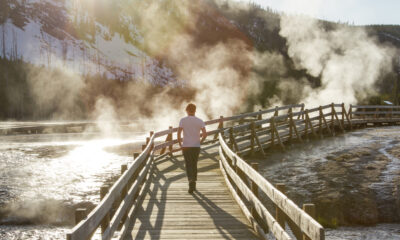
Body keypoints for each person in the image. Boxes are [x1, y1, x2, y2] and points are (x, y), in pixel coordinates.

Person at [178, 103, 207, 194]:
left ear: (187, 110)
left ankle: (190, 181)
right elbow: (205, 134)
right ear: (195, 111)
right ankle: (193, 181)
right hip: (196, 146)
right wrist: (200, 142)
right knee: (194, 163)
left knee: (188, 164)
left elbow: (178, 134)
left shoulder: (182, 120)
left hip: (186, 145)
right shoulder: (200, 121)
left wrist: (180, 144)